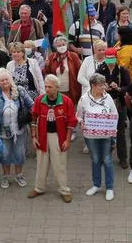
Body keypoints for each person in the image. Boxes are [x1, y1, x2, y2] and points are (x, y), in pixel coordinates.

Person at [28, 74, 78, 202]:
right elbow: (33, 118)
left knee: (59, 165)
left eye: (50, 87)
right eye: (45, 86)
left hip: (58, 137)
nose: (47, 89)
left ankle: (64, 190)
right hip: (42, 136)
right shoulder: (39, 100)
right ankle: (39, 188)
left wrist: (67, 140)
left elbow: (71, 122)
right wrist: (33, 136)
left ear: (57, 87)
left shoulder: (66, 101)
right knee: (41, 164)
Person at [77, 74, 119, 201]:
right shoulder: (84, 99)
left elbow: (115, 114)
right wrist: (82, 123)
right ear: (93, 86)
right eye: (101, 86)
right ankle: (96, 185)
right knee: (95, 159)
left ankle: (109, 187)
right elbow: (79, 115)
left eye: (104, 85)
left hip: (106, 135)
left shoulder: (108, 98)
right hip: (90, 136)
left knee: (107, 160)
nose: (104, 88)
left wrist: (112, 129)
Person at [0, 68, 34, 189]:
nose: (5, 82)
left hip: (19, 129)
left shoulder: (19, 90)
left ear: (10, 79)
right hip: (3, 131)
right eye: (2, 80)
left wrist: (36, 118)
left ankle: (19, 175)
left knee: (20, 154)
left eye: (6, 79)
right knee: (5, 154)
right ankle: (6, 176)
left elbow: (31, 105)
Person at [97, 48, 131, 169]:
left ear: (116, 58)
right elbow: (94, 86)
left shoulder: (122, 71)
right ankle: (104, 156)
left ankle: (123, 158)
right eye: (108, 58)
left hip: (119, 104)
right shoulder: (100, 70)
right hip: (103, 105)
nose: (110, 61)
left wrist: (119, 88)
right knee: (104, 132)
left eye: (112, 58)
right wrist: (103, 88)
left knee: (120, 132)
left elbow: (128, 87)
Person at [44, 36, 82, 106]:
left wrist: (78, 90)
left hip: (71, 91)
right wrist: (46, 65)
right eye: (59, 45)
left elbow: (79, 72)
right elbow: (47, 74)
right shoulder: (51, 57)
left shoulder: (74, 56)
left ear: (67, 45)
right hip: (56, 92)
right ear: (55, 47)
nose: (61, 47)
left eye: (63, 44)